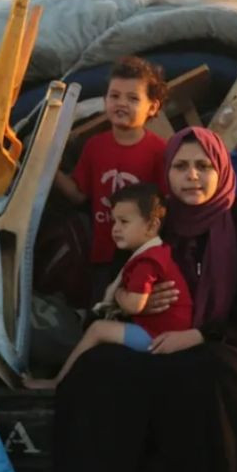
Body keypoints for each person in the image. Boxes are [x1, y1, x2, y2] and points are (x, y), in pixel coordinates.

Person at [51, 126, 237, 472]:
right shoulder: (151, 222)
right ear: (167, 174)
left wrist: (201, 333)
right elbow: (115, 284)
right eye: (180, 167)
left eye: (202, 166)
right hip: (148, 342)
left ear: (220, 170)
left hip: (214, 344)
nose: (192, 176)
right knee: (97, 370)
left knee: (214, 375)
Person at [25, 183, 192, 389]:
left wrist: (119, 292)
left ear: (151, 226)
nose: (115, 229)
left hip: (159, 338)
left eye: (124, 222)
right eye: (114, 221)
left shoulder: (147, 262)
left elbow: (133, 305)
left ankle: (60, 381)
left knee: (98, 330)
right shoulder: (157, 252)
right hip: (161, 331)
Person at [53, 56, 169, 303]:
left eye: (133, 98)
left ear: (153, 107)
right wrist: (50, 168)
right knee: (101, 308)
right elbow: (78, 194)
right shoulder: (94, 147)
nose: (121, 104)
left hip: (142, 258)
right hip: (103, 256)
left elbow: (166, 207)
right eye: (114, 96)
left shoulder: (160, 152)